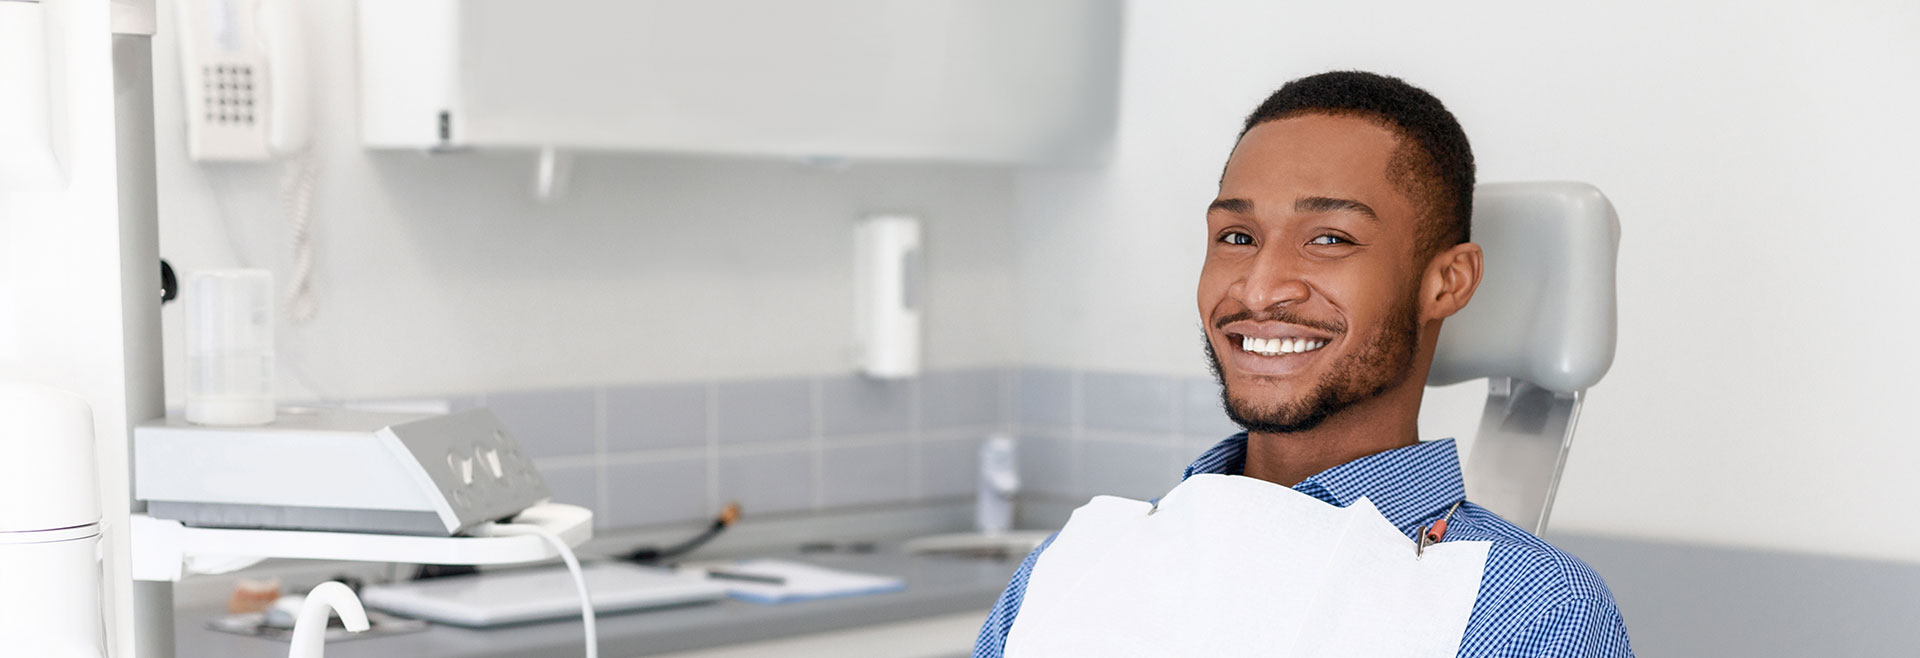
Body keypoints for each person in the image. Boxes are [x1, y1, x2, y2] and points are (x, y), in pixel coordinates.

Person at [972, 71, 1632, 657]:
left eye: (1329, 240)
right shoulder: (1075, 563)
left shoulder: (1531, 612)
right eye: (1237, 237)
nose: (1259, 289)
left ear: (1447, 282)